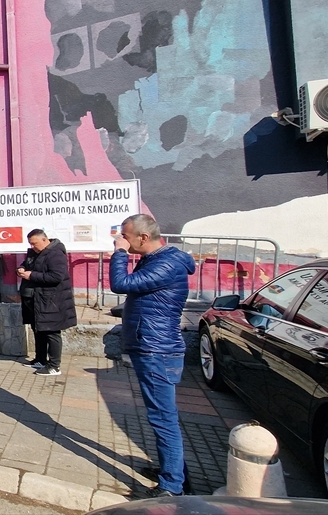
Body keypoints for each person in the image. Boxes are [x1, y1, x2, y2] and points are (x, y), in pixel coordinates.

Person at [110, 214, 196, 499]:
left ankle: (172, 486)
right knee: (160, 415)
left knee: (163, 417)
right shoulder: (157, 260)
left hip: (156, 350)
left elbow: (121, 283)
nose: (121, 239)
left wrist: (120, 252)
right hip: (151, 346)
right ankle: (173, 473)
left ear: (143, 237)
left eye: (126, 235)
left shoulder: (167, 264)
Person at [17, 229, 76, 376]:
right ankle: (40, 359)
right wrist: (21, 269)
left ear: (44, 240)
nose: (32, 246)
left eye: (34, 243)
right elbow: (25, 264)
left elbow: (56, 277)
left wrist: (31, 275)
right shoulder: (34, 253)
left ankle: (54, 366)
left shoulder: (56, 254)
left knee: (51, 332)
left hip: (51, 300)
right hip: (36, 299)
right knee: (38, 328)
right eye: (30, 244)